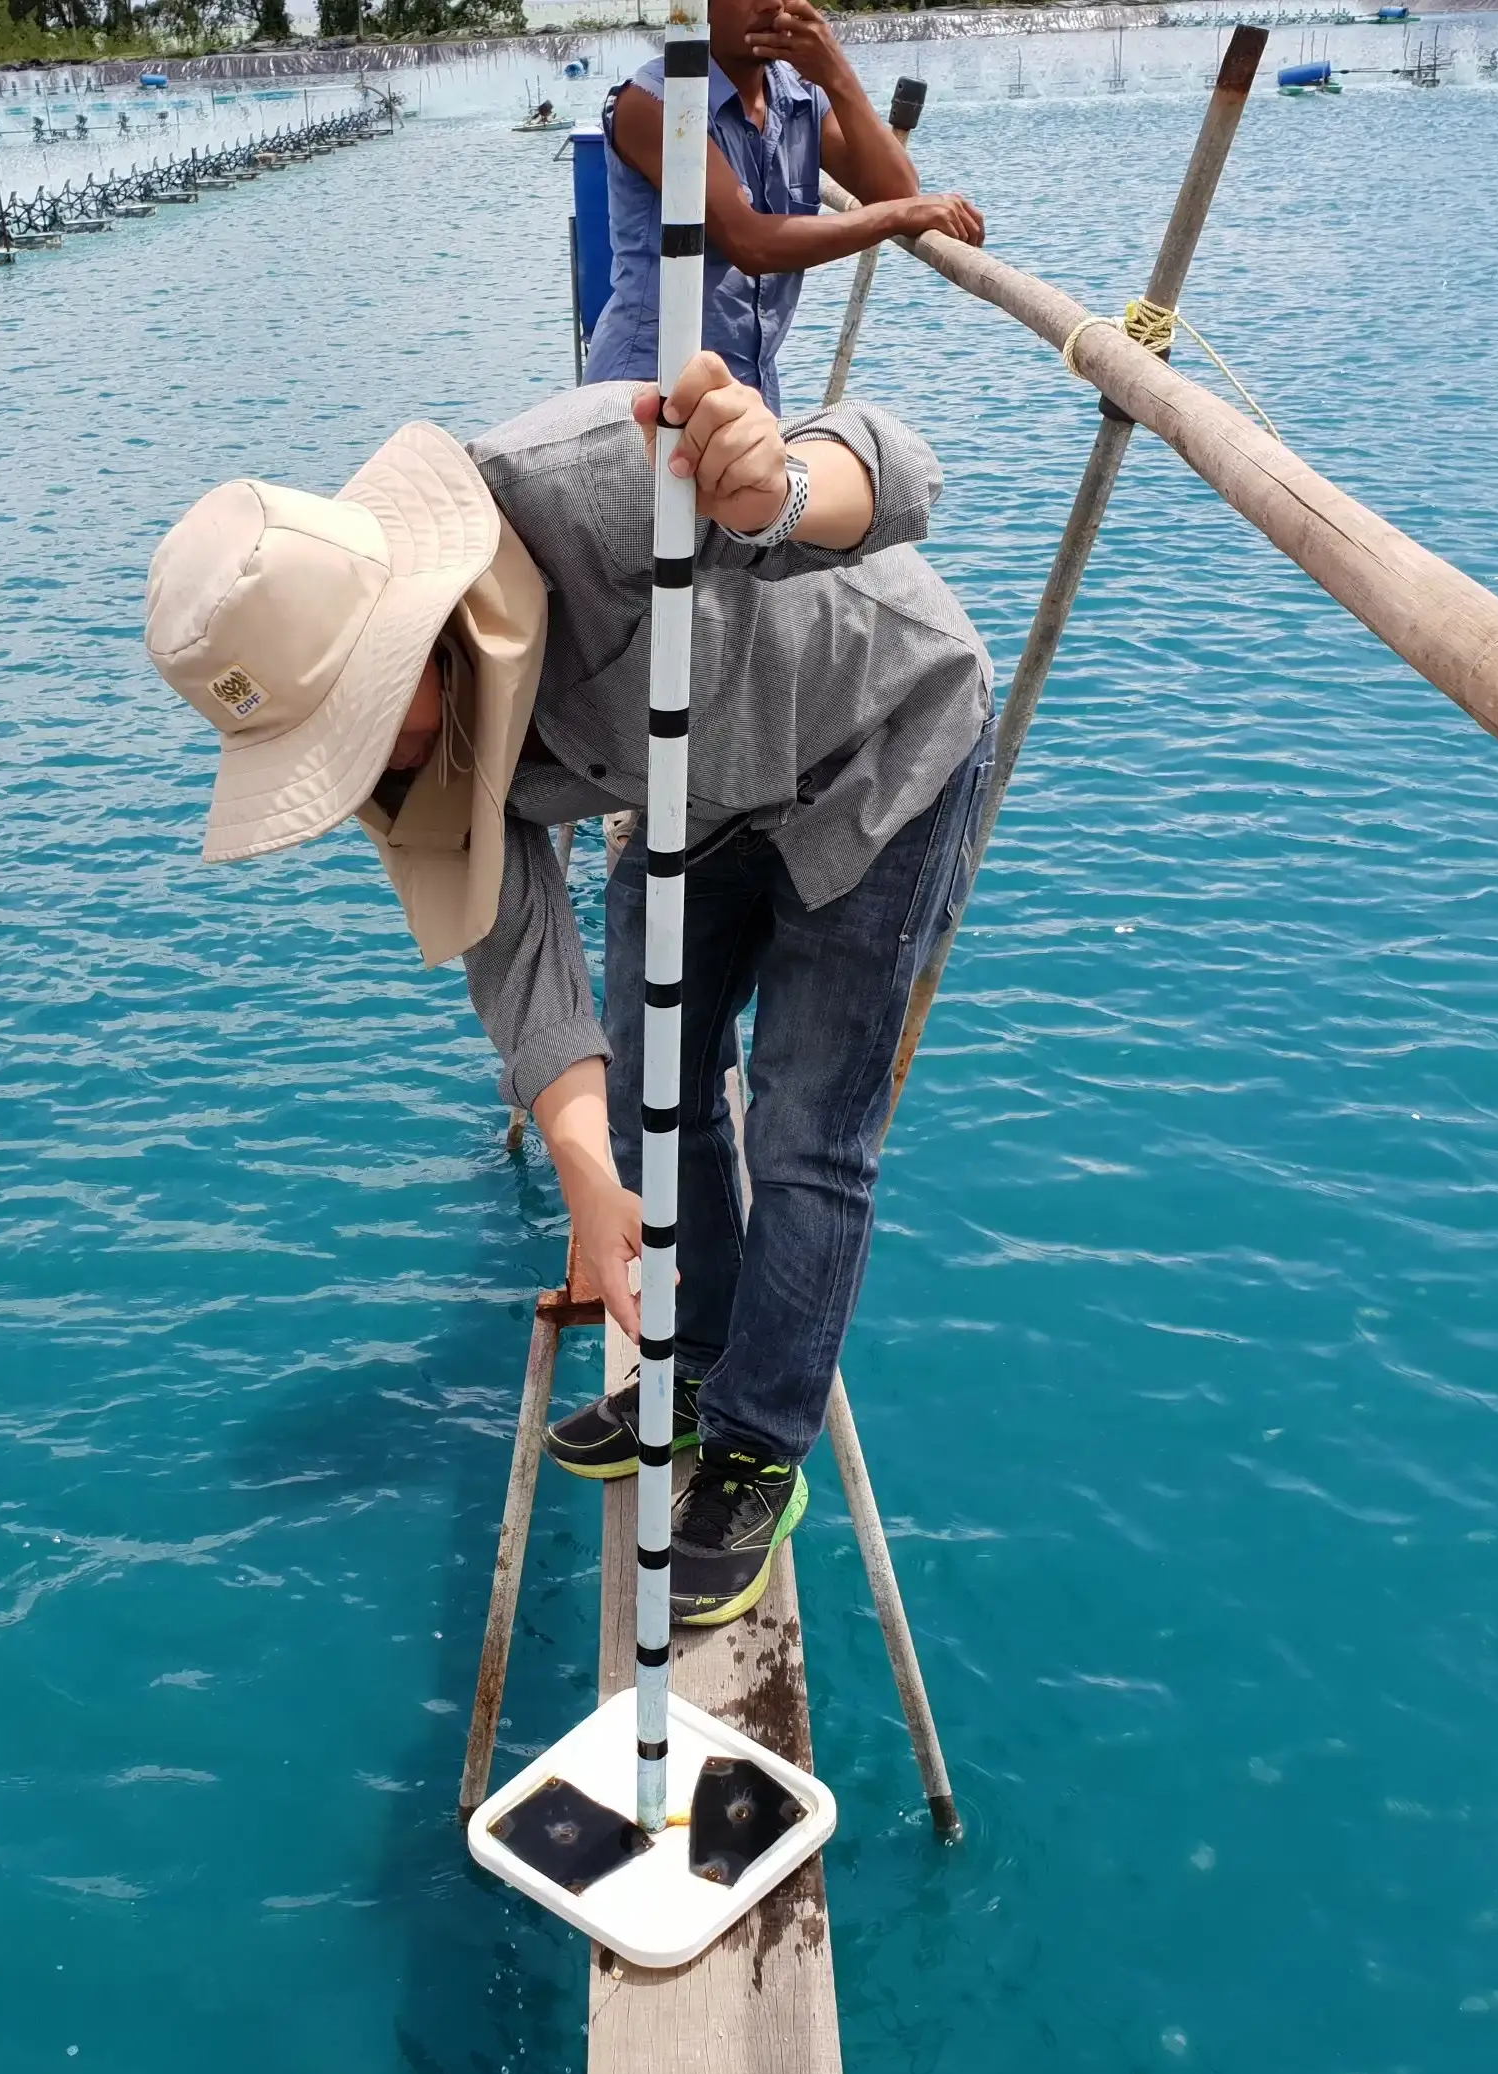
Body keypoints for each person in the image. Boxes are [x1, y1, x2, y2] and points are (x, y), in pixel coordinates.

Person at [144, 359, 993, 1628]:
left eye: (365, 729)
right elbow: (513, 947)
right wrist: (589, 1180)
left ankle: (760, 1442)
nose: (366, 770)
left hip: (876, 750)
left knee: (808, 1124)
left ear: (419, 635)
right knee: (654, 1094)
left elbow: (905, 468)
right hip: (688, 798)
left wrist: (779, 485)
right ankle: (696, 1364)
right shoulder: (398, 758)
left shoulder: (601, 478)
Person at [581, 0, 987, 414]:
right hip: (646, 393)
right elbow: (749, 242)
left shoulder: (800, 94)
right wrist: (898, 217)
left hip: (749, 394)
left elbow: (896, 190)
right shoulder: (654, 103)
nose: (772, 3)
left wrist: (837, 74)